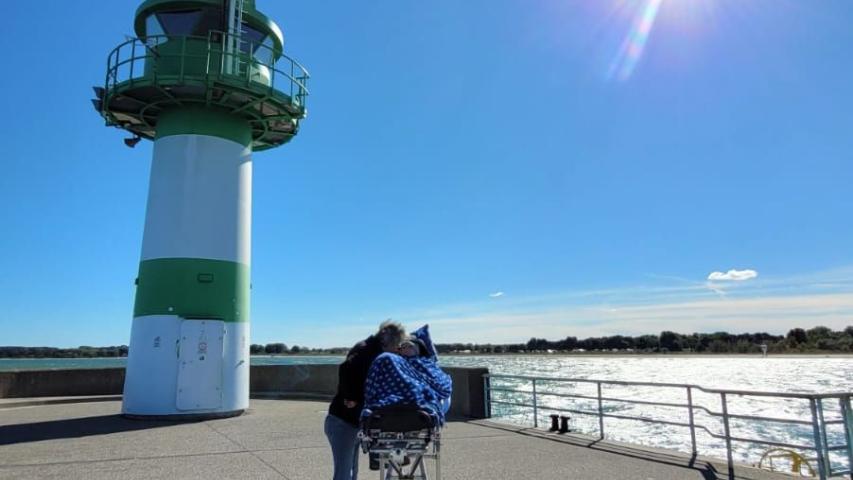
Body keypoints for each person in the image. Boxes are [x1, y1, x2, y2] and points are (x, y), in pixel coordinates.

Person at [325, 320, 406, 480]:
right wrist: (350, 397)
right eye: (396, 344)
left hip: (352, 422)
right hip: (343, 422)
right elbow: (345, 369)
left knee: (350, 472)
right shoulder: (366, 350)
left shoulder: (372, 349)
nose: (396, 349)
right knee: (344, 474)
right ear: (386, 339)